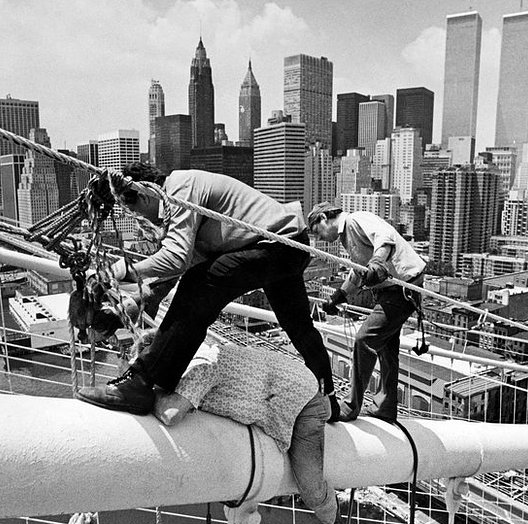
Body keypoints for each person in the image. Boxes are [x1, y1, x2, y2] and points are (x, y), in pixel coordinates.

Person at [74, 165, 339, 421]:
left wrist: (118, 272)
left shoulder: (180, 188)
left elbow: (176, 259)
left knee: (199, 286)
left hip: (276, 244)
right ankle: (330, 400)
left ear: (145, 193)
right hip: (289, 244)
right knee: (299, 327)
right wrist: (134, 303)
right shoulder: (185, 205)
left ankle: (140, 382)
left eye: (136, 210)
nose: (143, 219)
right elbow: (177, 269)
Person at [136, 331, 345, 524]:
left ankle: (331, 516)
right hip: (283, 389)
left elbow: (171, 414)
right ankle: (326, 407)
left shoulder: (202, 366)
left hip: (301, 400)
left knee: (310, 487)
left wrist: (147, 394)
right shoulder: (197, 358)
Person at [308, 203, 426, 422]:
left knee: (364, 341)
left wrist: (378, 261)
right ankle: (386, 406)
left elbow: (385, 236)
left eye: (318, 231)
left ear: (324, 217)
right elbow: (358, 272)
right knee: (387, 349)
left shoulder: (355, 220)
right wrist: (339, 296)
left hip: (400, 290)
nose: (321, 239)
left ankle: (351, 406)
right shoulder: (347, 237)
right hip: (398, 289)